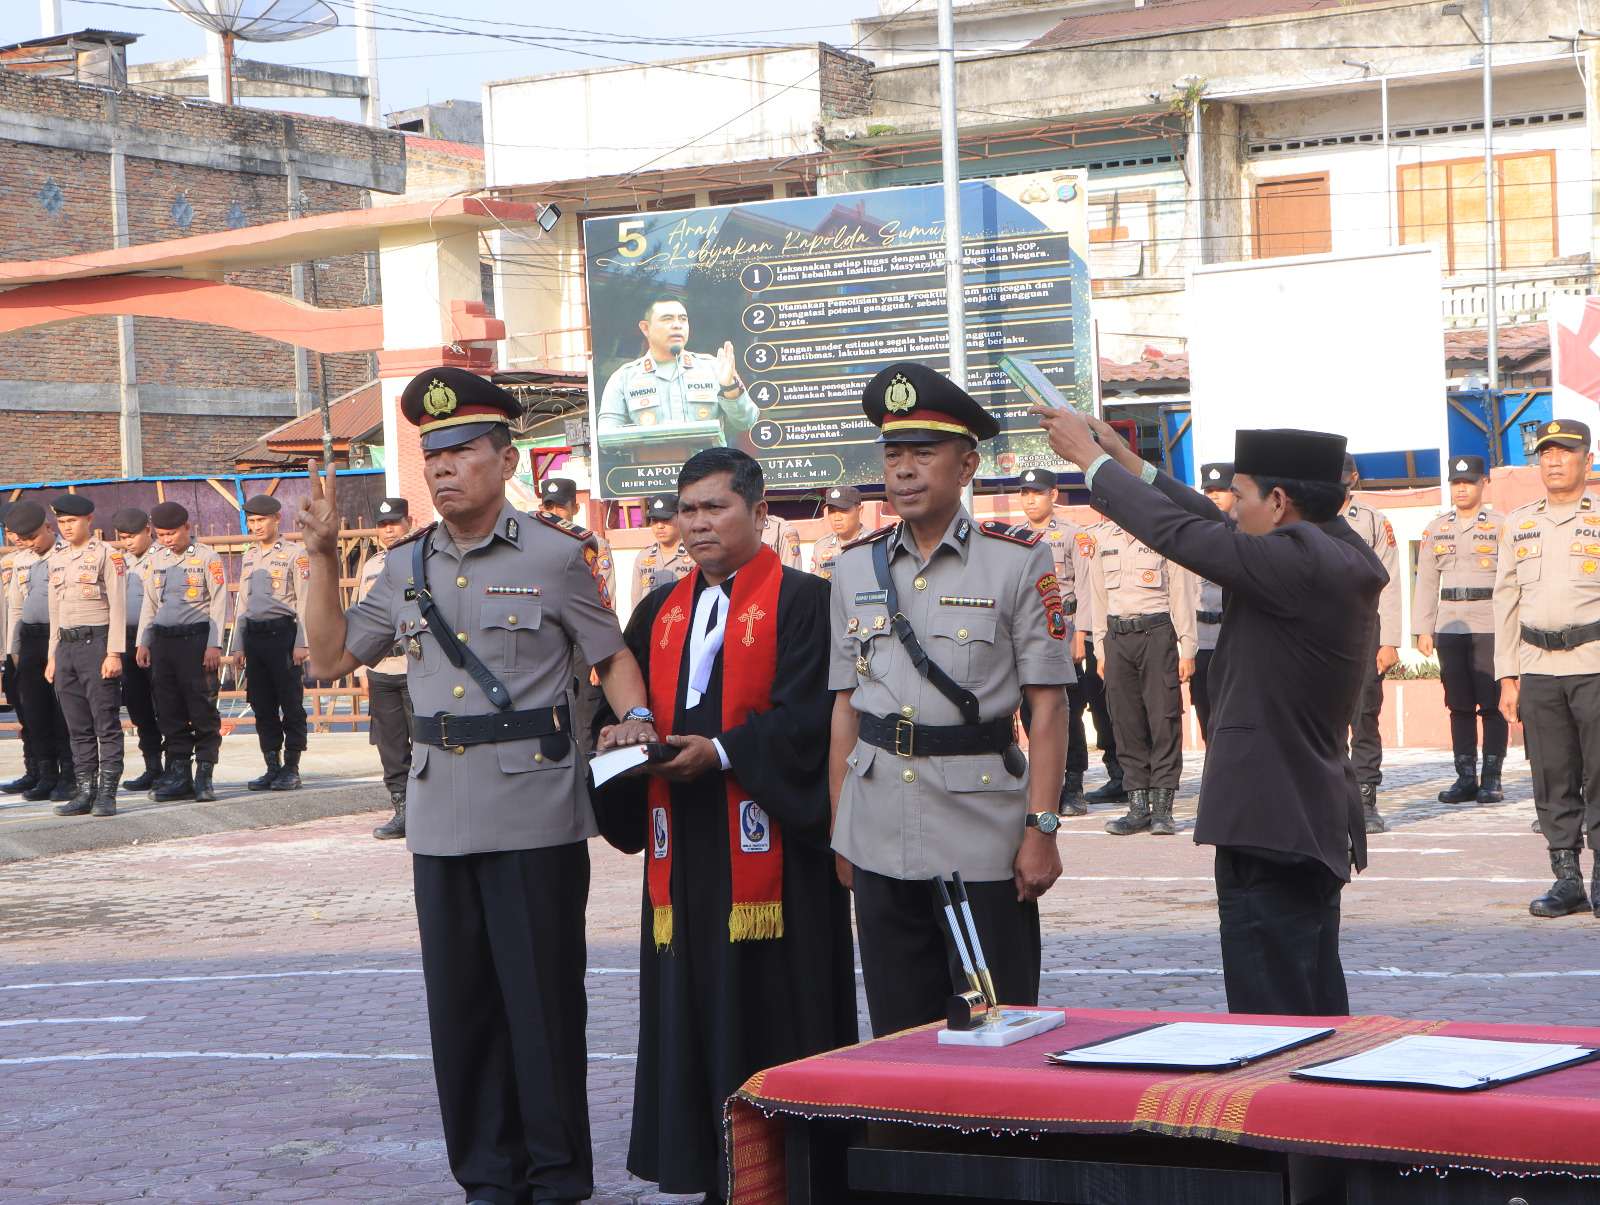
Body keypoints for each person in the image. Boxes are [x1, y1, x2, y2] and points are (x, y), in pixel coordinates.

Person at [301, 365, 659, 1205]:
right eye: (434, 456)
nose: (444, 468)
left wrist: (633, 721)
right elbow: (328, 658)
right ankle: (487, 1176)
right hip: (438, 812)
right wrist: (320, 557)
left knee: (540, 1006)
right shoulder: (401, 567)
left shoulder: (556, 555)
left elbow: (611, 657)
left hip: (534, 809)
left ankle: (558, 1173)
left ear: (506, 459)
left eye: (462, 450)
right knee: (460, 1012)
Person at [1038, 408, 1384, 1015]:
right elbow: (1208, 525)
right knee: (1310, 1000)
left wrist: (1089, 465)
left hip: (1271, 821)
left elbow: (1188, 536)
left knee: (1272, 1016)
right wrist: (1124, 459)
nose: (1228, 508)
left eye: (1240, 496)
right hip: (1299, 817)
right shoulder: (1332, 547)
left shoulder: (1300, 562)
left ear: (1278, 503)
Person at [592, 447, 856, 1202]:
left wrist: (726, 751)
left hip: (776, 848)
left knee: (778, 1006)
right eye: (688, 509)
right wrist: (626, 734)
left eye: (717, 507)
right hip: (685, 850)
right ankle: (712, 1168)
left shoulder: (806, 601)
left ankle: (796, 1170)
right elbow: (623, 698)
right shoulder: (656, 611)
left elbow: (815, 718)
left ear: (759, 511)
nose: (699, 523)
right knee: (693, 1006)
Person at [829, 361, 1072, 1038]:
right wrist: (839, 827)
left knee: (996, 1031)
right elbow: (845, 706)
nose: (903, 470)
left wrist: (1042, 830)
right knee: (899, 1034)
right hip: (876, 827)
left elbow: (1048, 709)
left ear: (966, 465)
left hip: (980, 835)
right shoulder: (853, 566)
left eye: (923, 453)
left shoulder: (1019, 560)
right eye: (893, 453)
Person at [1494, 419, 1600, 920]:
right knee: (1551, 776)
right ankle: (1566, 880)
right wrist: (1507, 676)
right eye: (1545, 453)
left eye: (1564, 452)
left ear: (1587, 459)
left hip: (1594, 664)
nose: (1553, 461)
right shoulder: (1519, 522)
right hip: (1537, 669)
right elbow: (1506, 601)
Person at [1088, 499, 1197, 837]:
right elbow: (1097, 597)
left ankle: (1162, 809)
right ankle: (1137, 807)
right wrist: (1100, 648)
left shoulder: (1160, 536)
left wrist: (1187, 647)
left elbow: (1182, 593)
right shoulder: (1102, 538)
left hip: (1156, 634)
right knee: (1125, 721)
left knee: (1163, 719)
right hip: (1117, 638)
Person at [1414, 455, 1507, 805]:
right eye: (1456, 483)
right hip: (1450, 624)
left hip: (1490, 622)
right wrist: (1423, 628)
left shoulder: (1502, 525)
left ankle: (1492, 778)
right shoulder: (1436, 527)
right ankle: (1465, 776)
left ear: (1484, 484)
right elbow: (1425, 581)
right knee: (1458, 704)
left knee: (1493, 703)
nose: (1462, 488)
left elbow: (1512, 580)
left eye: (1469, 482)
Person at [135, 501, 228, 804]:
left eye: (173, 533)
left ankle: (204, 773)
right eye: (161, 534)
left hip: (196, 640)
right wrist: (143, 641)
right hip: (163, 642)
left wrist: (214, 643)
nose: (167, 539)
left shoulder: (206, 557)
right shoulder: (155, 560)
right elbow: (149, 604)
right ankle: (178, 774)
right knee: (169, 709)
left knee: (201, 708)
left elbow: (218, 601)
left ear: (187, 528)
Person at [43, 493, 126, 817]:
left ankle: (107, 793)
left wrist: (115, 653)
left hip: (97, 645)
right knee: (76, 725)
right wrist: (52, 655)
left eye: (71, 521)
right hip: (66, 647)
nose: (66, 527)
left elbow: (118, 606)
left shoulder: (108, 555)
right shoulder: (57, 558)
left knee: (105, 722)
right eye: (61, 522)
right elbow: (55, 610)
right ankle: (85, 790)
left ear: (89, 520)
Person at [1016, 468, 1091, 814]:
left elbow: (1085, 587)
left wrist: (1083, 636)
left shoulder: (1071, 535)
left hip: (1064, 630)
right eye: (1025, 493)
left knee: (1068, 709)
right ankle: (1047, 783)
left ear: (1054, 495)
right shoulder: (1014, 538)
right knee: (1031, 711)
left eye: (1038, 492)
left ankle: (1073, 784)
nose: (1031, 499)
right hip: (1028, 632)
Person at [597, 298, 758, 445]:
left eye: (683, 319)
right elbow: (606, 438)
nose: (677, 325)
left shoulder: (714, 367)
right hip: (652, 473)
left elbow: (746, 422)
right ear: (646, 328)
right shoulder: (623, 378)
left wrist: (730, 388)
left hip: (708, 472)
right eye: (667, 319)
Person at [232, 495, 309, 792]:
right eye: (251, 521)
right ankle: (272, 766)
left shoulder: (295, 553)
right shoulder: (249, 555)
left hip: (283, 636)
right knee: (261, 704)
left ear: (277, 519)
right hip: (255, 637)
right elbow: (243, 603)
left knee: (290, 702)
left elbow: (305, 600)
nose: (256, 526)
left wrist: (303, 642)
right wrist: (238, 643)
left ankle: (291, 766)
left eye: (261, 520)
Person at [1341, 456, 1401, 833]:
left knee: (1364, 714)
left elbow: (1391, 581)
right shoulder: (1304, 517)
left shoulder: (1373, 521)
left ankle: (1365, 799)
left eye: (1342, 473)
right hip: (1317, 631)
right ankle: (1328, 795)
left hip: (1364, 628)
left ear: (1354, 478)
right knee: (1318, 719)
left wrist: (1390, 640)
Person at [5, 501, 76, 803]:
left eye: (33, 537)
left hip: (58, 637)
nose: (29, 544)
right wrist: (13, 651)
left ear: (49, 528)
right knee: (34, 710)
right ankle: (46, 774)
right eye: (23, 539)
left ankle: (69, 775)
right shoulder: (24, 560)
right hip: (30, 640)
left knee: (62, 710)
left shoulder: (67, 556)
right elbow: (17, 607)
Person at [358, 497, 415, 840]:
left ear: (409, 521)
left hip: (415, 665)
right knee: (390, 747)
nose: (388, 530)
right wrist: (357, 670)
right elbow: (360, 618)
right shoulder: (371, 566)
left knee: (426, 741)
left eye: (394, 522)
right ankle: (402, 809)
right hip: (381, 667)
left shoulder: (423, 560)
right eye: (382, 525)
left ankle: (429, 808)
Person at [1070, 514, 1125, 806]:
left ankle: (1146, 779)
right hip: (1096, 633)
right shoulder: (1088, 535)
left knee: (1132, 707)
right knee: (1100, 706)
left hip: (1133, 630)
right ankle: (1117, 775)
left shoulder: (1148, 529)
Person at [112, 508, 164, 791]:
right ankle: (152, 766)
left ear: (148, 530)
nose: (128, 541)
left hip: (157, 639)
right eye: (123, 537)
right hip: (127, 639)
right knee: (138, 705)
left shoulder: (162, 558)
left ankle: (175, 766)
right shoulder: (121, 562)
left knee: (165, 706)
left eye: (132, 536)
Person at [1191, 462, 1236, 742]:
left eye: (1221, 490)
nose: (1214, 496)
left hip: (1232, 637)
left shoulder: (1246, 531)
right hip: (1200, 639)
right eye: (1208, 490)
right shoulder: (1193, 532)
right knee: (1204, 709)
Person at [538, 478, 615, 607]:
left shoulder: (593, 543)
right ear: (541, 509)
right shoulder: (533, 543)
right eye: (549, 507)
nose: (554, 513)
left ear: (575, 508)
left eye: (561, 507)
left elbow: (605, 592)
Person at [632, 494, 694, 607]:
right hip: (651, 622)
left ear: (680, 517)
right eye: (655, 520)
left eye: (665, 520)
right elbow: (636, 600)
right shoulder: (643, 557)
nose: (659, 526)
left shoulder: (694, 555)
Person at [809, 486, 865, 580]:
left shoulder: (876, 542)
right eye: (832, 511)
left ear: (860, 510)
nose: (837, 518)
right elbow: (815, 587)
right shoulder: (821, 546)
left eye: (843, 510)